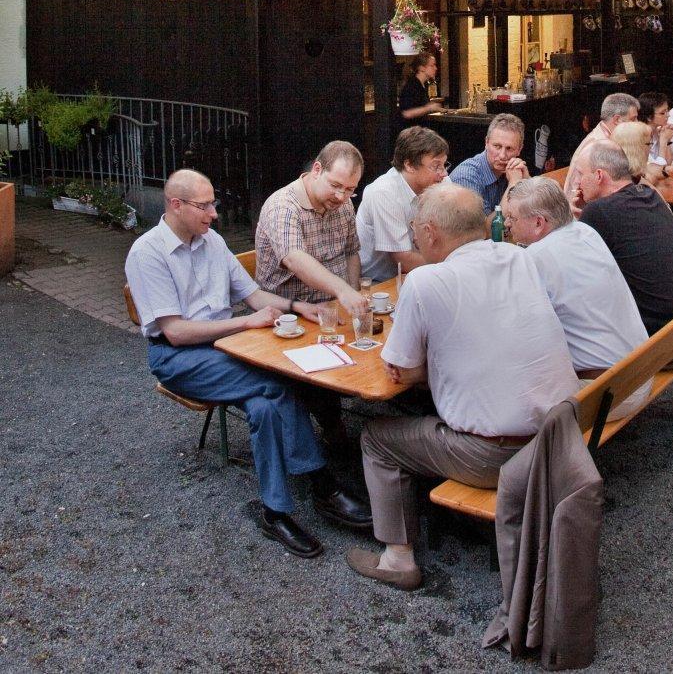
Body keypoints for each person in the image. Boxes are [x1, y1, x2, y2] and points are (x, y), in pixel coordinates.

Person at [126, 169, 370, 558]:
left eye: (213, 203)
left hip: (224, 348)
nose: (214, 213)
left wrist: (298, 307)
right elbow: (175, 333)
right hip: (178, 359)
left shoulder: (212, 241)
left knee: (264, 405)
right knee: (278, 382)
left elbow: (254, 295)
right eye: (205, 206)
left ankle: (275, 512)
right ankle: (324, 485)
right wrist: (245, 323)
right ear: (176, 205)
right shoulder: (147, 253)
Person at [349, 184, 578, 590]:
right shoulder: (518, 257)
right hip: (561, 431)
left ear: (431, 232)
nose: (414, 239)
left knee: (376, 437)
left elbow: (400, 369)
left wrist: (427, 367)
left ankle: (397, 558)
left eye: (414, 230)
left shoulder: (426, 281)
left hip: (499, 455)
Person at [503, 176, 649, 400]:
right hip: (640, 373)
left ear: (539, 223)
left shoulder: (536, 256)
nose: (506, 223)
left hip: (605, 393)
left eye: (512, 217)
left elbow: (517, 329)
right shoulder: (585, 232)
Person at [577, 142, 673, 333]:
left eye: (580, 174)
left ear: (599, 175)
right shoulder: (651, 195)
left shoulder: (599, 211)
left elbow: (577, 273)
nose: (578, 182)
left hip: (662, 336)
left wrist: (575, 220)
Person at [255, 140, 369, 318]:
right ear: (316, 170)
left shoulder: (344, 205)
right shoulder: (282, 205)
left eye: (349, 189)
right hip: (287, 316)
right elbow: (294, 258)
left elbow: (351, 252)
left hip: (335, 308)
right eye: (335, 185)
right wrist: (343, 290)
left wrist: (353, 294)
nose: (341, 196)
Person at [356, 126, 450, 282]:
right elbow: (403, 260)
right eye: (436, 166)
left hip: (424, 273)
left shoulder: (441, 182)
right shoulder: (383, 193)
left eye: (444, 165)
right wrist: (451, 265)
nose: (444, 173)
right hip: (378, 282)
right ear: (409, 165)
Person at [564, 92, 640, 205]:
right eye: (633, 119)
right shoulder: (597, 144)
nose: (638, 123)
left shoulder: (610, 137)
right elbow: (581, 193)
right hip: (583, 209)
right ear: (617, 120)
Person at [449, 113, 529, 215]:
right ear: (486, 143)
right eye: (497, 146)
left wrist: (527, 181)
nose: (502, 155)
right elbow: (485, 225)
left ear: (519, 149)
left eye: (509, 148)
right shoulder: (466, 176)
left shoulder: (514, 170)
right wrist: (514, 184)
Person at [637, 90, 673, 177]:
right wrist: (663, 141)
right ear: (648, 117)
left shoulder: (658, 131)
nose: (668, 115)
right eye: (663, 113)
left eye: (667, 111)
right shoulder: (639, 137)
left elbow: (669, 164)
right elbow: (658, 171)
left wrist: (667, 140)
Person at [398, 51, 443, 122]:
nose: (436, 68)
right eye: (432, 65)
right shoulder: (412, 85)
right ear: (422, 68)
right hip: (411, 128)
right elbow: (406, 113)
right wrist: (428, 108)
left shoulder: (424, 84)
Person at [612, 118, 655, 182]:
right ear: (636, 148)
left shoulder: (614, 171)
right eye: (649, 144)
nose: (651, 148)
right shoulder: (626, 181)